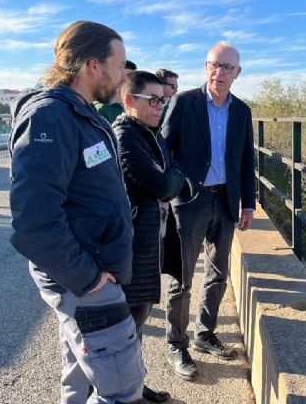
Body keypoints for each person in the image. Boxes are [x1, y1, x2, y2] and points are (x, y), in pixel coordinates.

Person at [8, 21, 149, 404]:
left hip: (91, 274)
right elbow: (34, 223)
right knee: (122, 389)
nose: (124, 76)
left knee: (80, 375)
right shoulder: (50, 117)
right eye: (119, 65)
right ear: (92, 65)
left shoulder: (83, 113)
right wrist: (90, 280)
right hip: (85, 280)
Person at [161, 41, 255, 381]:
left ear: (237, 73)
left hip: (226, 202)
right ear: (206, 67)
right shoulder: (183, 102)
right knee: (181, 277)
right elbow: (164, 149)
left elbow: (246, 160)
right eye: (215, 65)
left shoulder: (242, 111)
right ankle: (177, 343)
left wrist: (248, 203)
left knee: (218, 272)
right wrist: (172, 189)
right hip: (190, 203)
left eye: (227, 67)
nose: (220, 72)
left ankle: (205, 333)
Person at [112, 71, 187, 403]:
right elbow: (163, 185)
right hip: (132, 246)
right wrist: (171, 177)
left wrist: (172, 176)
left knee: (138, 323)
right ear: (130, 101)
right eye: (153, 100)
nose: (160, 105)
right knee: (127, 326)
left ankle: (134, 388)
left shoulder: (151, 135)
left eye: (163, 99)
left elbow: (174, 174)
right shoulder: (124, 135)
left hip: (150, 241)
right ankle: (124, 392)